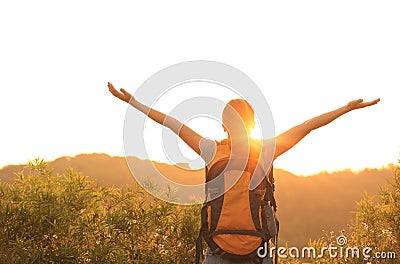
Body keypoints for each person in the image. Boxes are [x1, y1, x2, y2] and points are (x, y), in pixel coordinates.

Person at [108, 82, 380, 263]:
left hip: (245, 249)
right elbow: (171, 122)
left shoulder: (234, 151)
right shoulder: (220, 150)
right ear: (228, 126)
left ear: (247, 125)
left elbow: (307, 126)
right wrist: (133, 102)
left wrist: (346, 109)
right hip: (227, 249)